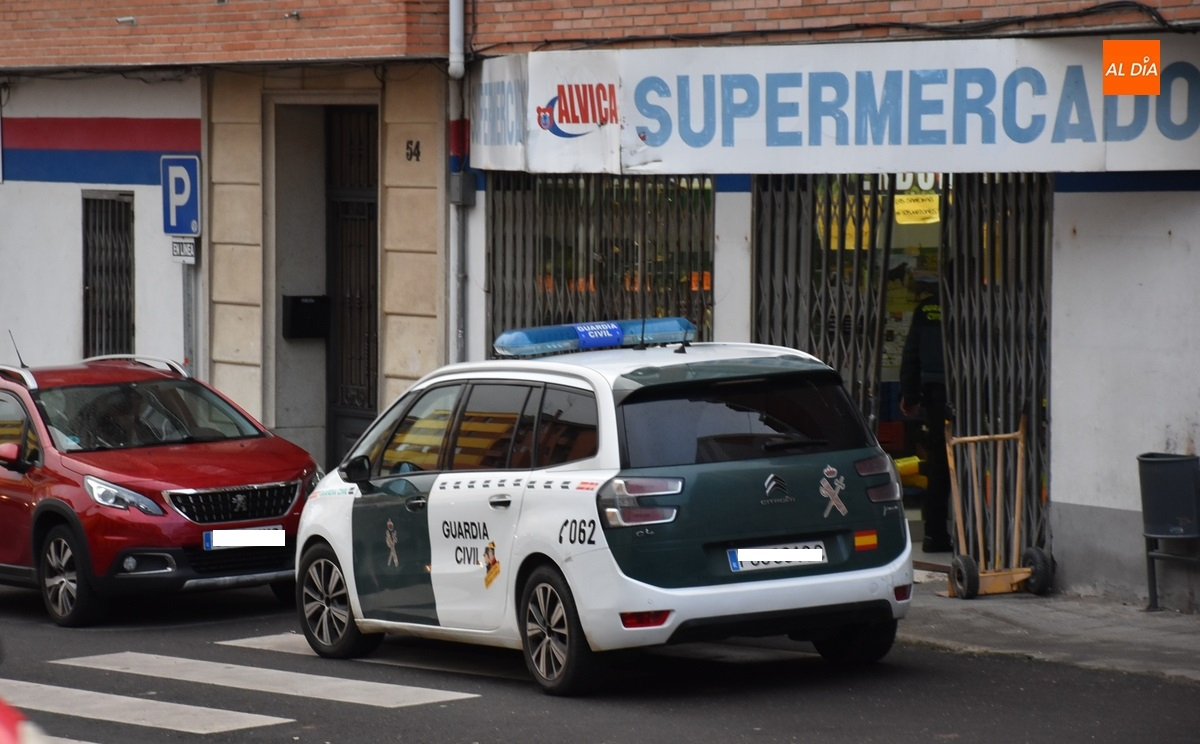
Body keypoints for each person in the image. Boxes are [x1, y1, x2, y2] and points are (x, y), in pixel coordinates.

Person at [900, 277, 952, 553]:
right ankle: (977, 534)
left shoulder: (927, 308)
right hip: (965, 393)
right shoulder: (972, 306)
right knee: (970, 461)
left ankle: (934, 533)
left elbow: (910, 353)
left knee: (939, 464)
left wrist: (910, 395)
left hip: (934, 395)